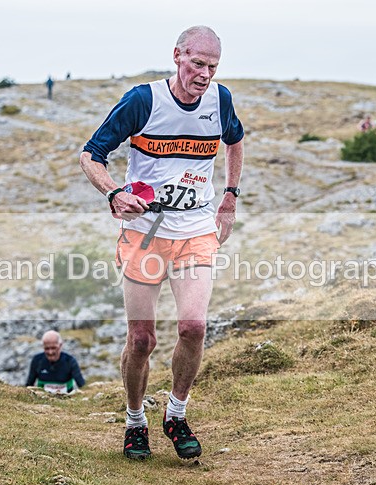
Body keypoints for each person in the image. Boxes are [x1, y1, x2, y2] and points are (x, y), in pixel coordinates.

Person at [80, 25, 245, 461]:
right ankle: (135, 421)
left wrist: (228, 197)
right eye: (197, 64)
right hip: (145, 235)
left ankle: (176, 414)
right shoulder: (143, 100)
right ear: (177, 56)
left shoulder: (219, 99)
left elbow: (235, 140)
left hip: (194, 232)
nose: (204, 75)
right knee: (141, 340)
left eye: (212, 67)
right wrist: (114, 192)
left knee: (193, 327)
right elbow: (90, 154)